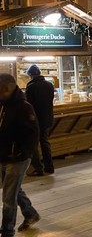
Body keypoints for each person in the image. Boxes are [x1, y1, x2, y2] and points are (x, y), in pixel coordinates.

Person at [0, 73, 40, 236]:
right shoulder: (3, 104)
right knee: (13, 189)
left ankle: (7, 230)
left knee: (8, 196)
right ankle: (31, 214)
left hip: (17, 158)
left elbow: (33, 134)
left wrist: (23, 153)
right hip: (3, 155)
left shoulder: (24, 107)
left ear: (6, 88)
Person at [25, 64, 55, 176]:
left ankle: (38, 168)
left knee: (32, 144)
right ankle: (49, 167)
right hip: (47, 118)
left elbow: (28, 105)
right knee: (45, 142)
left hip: (35, 120)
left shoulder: (31, 86)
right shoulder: (49, 85)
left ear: (31, 75)